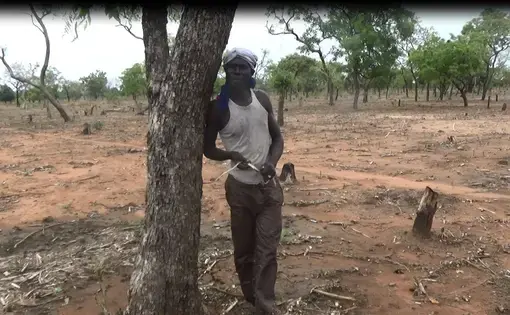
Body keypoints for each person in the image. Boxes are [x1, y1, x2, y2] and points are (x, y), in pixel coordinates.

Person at [203, 47, 284, 315]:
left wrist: (272, 163)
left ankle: (265, 305)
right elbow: (208, 149)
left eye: (243, 67)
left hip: (269, 189)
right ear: (226, 71)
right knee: (244, 252)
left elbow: (277, 138)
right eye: (232, 67)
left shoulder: (262, 99)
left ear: (252, 71)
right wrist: (229, 153)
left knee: (268, 249)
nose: (237, 71)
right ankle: (251, 296)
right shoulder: (218, 107)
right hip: (239, 189)